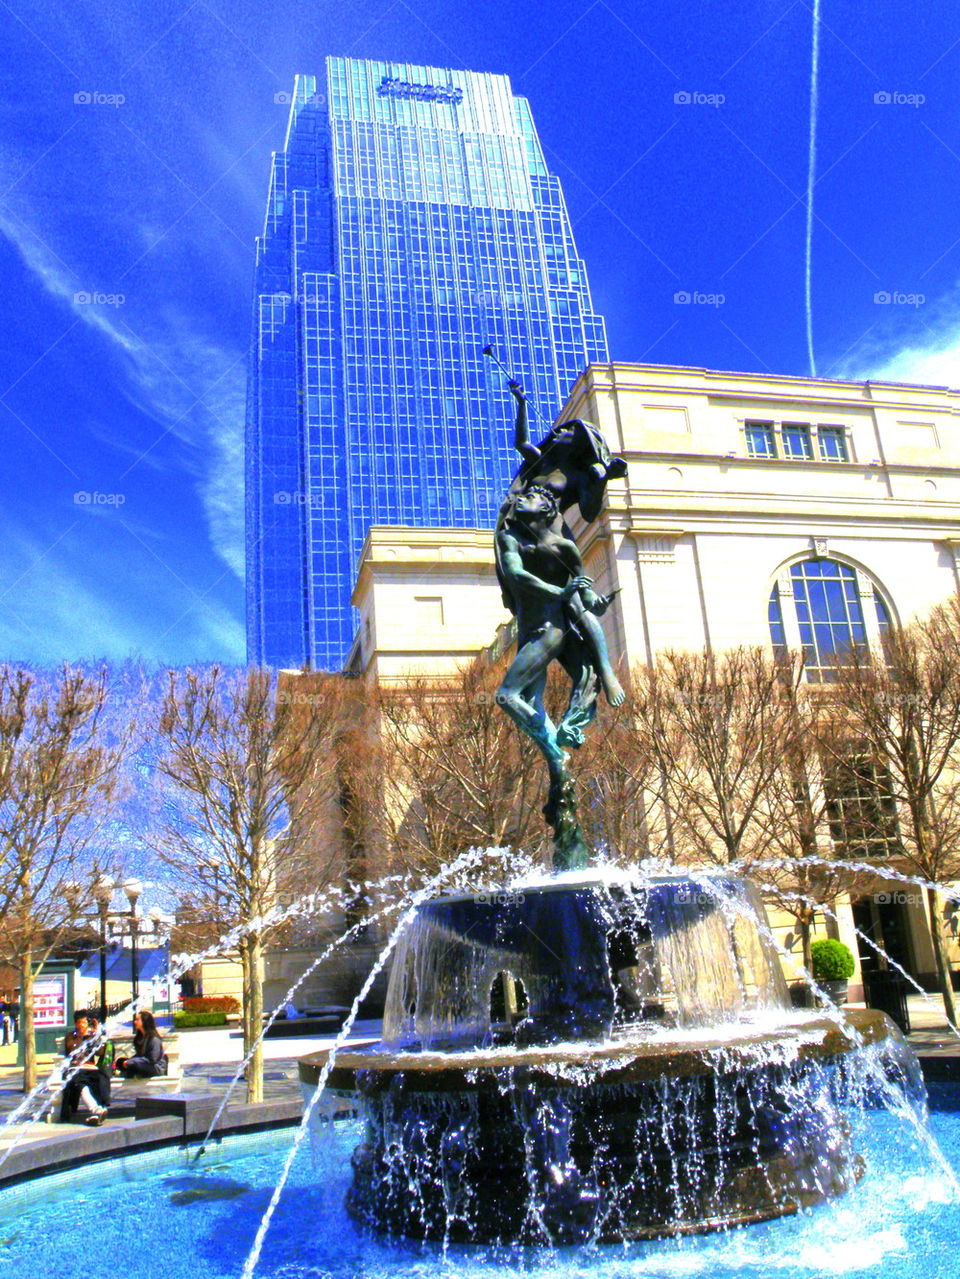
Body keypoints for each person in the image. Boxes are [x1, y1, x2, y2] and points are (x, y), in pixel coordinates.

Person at [59, 1012, 113, 1125]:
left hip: (90, 1069)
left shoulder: (91, 1036)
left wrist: (97, 1036)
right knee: (79, 1083)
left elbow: (100, 1052)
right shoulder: (71, 1036)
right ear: (76, 1024)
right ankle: (96, 1110)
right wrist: (81, 1036)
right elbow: (71, 1050)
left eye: (85, 1022)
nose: (84, 1025)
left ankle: (96, 1111)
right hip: (75, 1069)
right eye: (82, 1022)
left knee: (98, 1080)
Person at [115, 1009, 167, 1078]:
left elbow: (152, 1059)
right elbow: (139, 1056)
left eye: (137, 1020)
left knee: (133, 1065)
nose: (134, 1022)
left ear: (144, 1021)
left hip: (155, 1068)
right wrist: (127, 1061)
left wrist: (132, 1062)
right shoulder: (140, 1038)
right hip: (144, 1064)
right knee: (121, 1062)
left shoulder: (154, 1039)